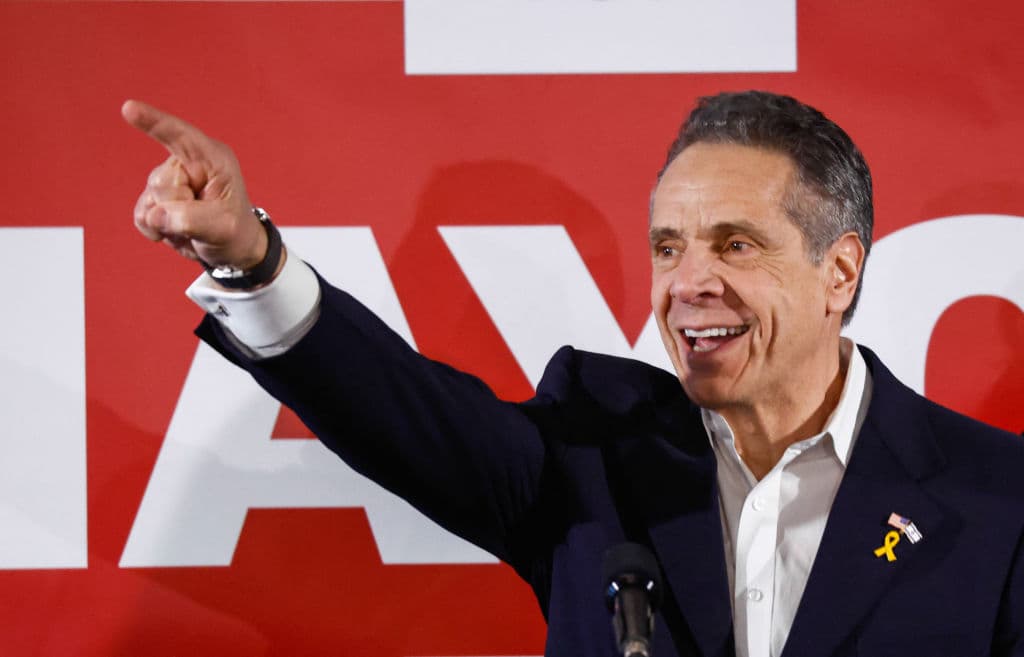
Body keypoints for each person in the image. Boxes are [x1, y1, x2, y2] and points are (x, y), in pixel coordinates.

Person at [124, 91, 1024, 657]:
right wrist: (251, 260)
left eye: (735, 244)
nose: (686, 284)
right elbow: (403, 412)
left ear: (841, 272)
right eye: (668, 247)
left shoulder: (1000, 498)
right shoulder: (596, 455)